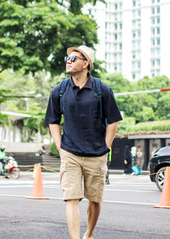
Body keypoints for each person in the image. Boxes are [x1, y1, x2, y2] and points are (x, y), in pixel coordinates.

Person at [45, 45, 122, 239]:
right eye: (67, 58)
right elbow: (52, 121)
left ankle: (89, 233)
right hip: (70, 152)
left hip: (96, 154)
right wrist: (60, 145)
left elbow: (113, 120)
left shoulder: (101, 89)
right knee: (71, 197)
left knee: (94, 200)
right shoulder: (60, 90)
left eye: (73, 58)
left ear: (85, 63)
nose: (68, 61)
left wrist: (106, 146)